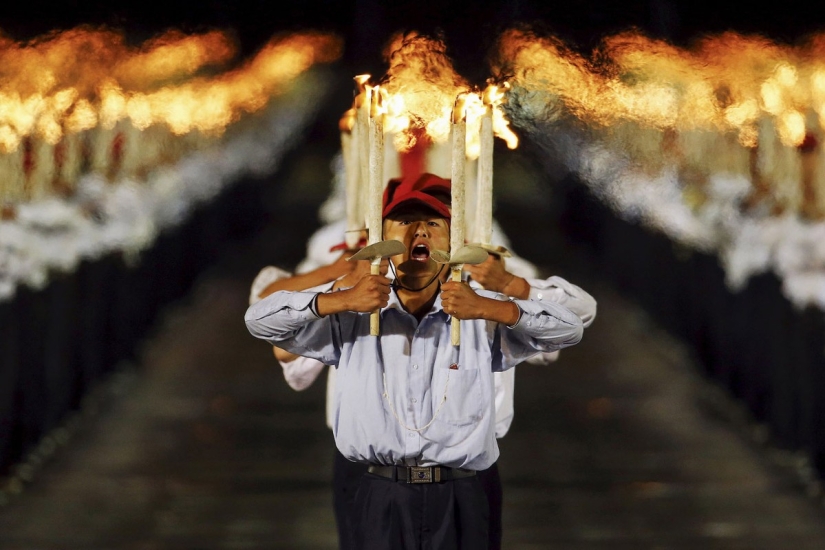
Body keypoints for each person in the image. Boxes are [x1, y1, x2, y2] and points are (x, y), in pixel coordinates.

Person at [245, 172, 594, 549]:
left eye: (432, 222)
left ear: (456, 239)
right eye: (405, 222)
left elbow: (572, 326)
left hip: (462, 487)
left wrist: (499, 299)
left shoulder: (481, 308)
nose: (419, 233)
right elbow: (261, 320)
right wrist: (340, 295)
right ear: (381, 239)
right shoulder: (357, 312)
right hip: (380, 486)